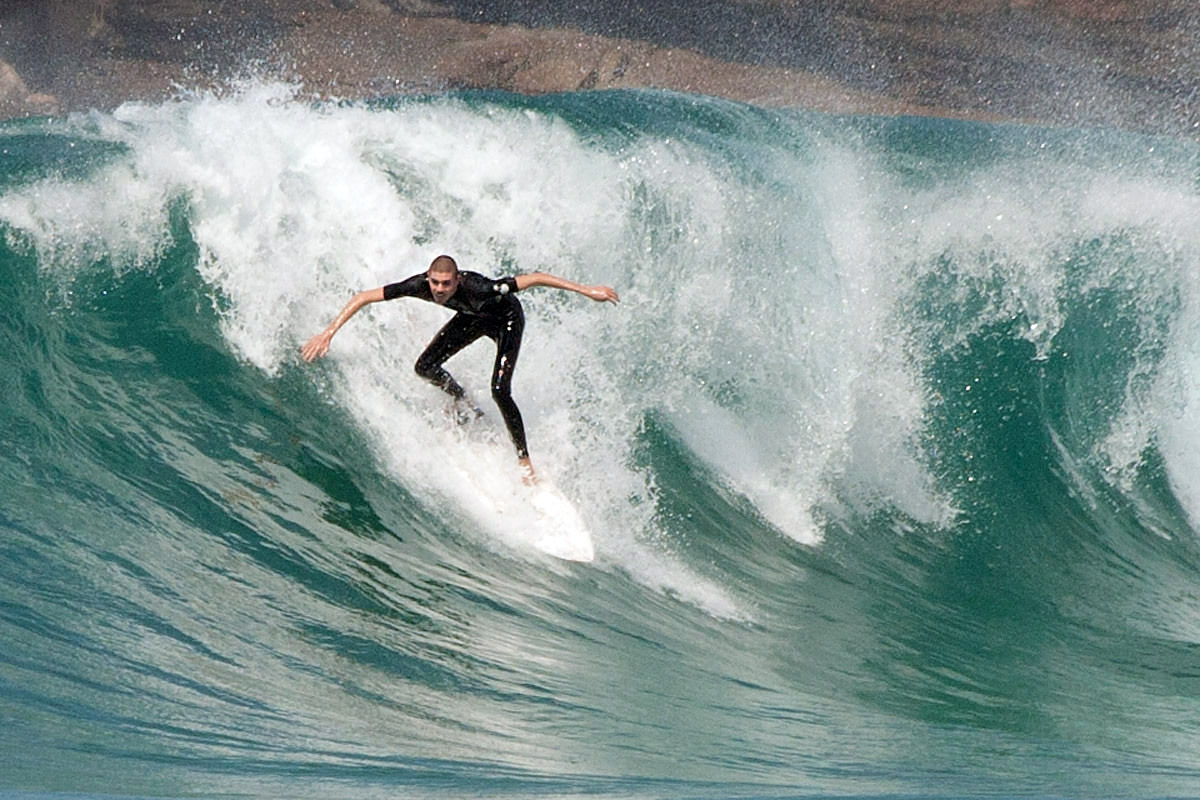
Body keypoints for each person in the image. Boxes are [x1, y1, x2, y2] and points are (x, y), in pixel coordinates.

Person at [301, 255, 619, 480]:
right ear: (428, 278)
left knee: (499, 390)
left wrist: (588, 291)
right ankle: (462, 400)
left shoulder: (481, 288)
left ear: (457, 280)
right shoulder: (418, 285)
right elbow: (364, 296)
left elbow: (535, 278)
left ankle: (524, 460)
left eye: (446, 284)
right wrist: (328, 332)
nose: (440, 290)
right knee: (425, 367)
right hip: (471, 319)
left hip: (506, 321)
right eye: (436, 283)